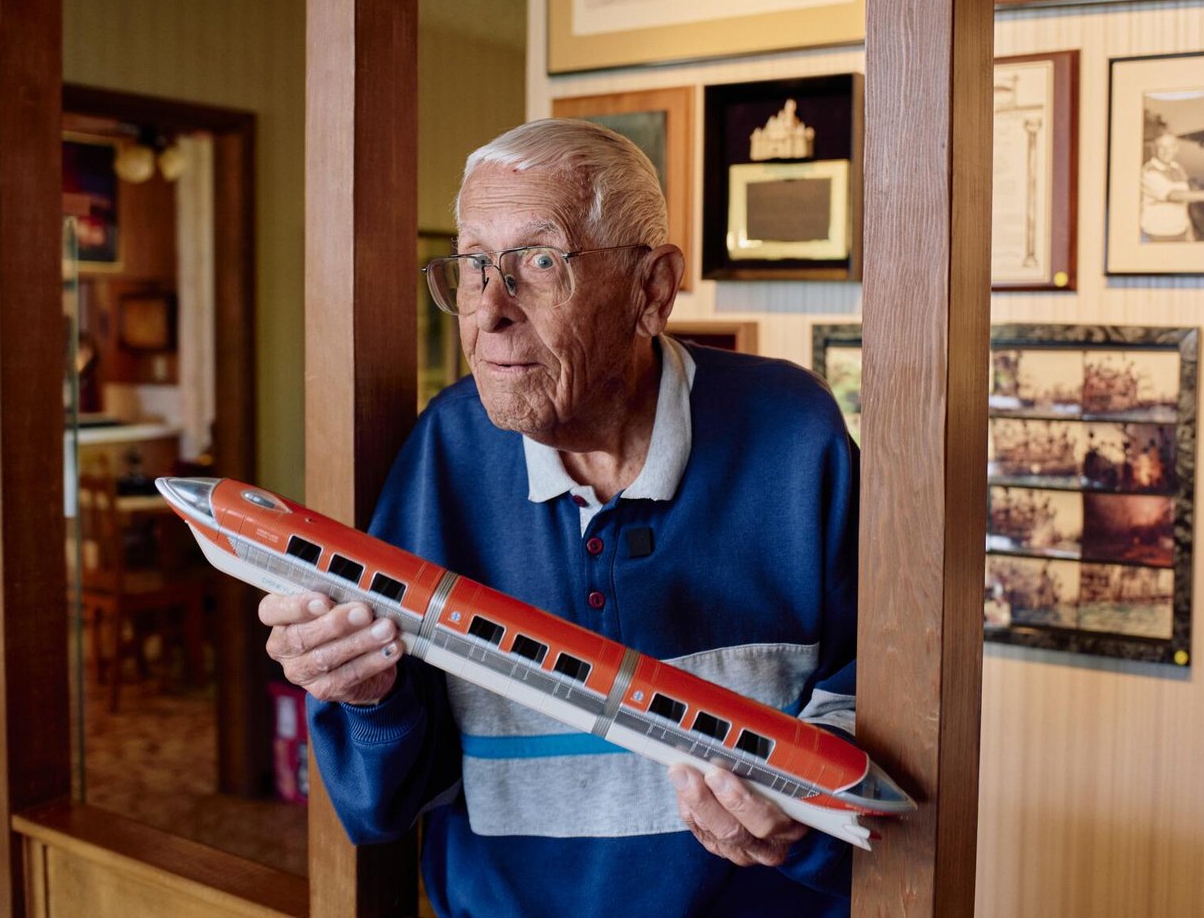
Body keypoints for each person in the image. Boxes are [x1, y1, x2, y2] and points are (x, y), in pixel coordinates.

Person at [258, 119, 860, 917]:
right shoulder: (447, 449)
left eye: (539, 262)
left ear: (652, 289)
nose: (490, 312)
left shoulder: (794, 432)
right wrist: (368, 697)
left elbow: (885, 715)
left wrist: (802, 821)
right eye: (473, 266)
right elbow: (379, 808)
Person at [1139, 133, 1204, 241]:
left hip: (1181, 232)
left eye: (1170, 147)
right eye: (1162, 147)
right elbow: (1173, 195)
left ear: (1176, 149)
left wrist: (1189, 231)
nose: (1166, 151)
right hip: (1157, 235)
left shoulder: (1178, 168)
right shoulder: (1148, 171)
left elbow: (1184, 202)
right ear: (1154, 149)